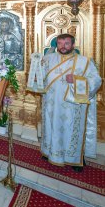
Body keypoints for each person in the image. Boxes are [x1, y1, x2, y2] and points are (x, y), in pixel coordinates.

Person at [39, 33, 102, 171]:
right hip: (51, 103)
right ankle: (49, 151)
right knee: (51, 127)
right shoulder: (48, 59)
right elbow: (39, 76)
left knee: (71, 130)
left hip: (72, 106)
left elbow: (96, 81)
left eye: (66, 43)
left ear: (73, 45)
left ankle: (74, 159)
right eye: (60, 43)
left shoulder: (84, 61)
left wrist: (76, 80)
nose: (63, 46)